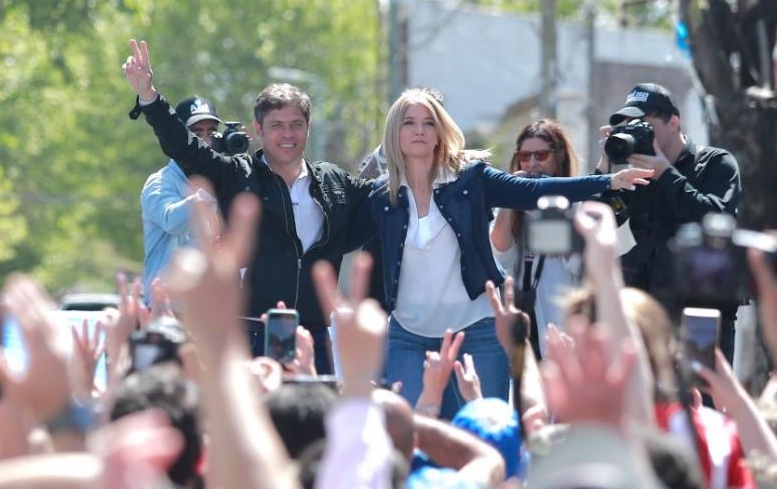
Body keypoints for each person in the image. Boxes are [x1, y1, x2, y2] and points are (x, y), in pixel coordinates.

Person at [366, 88, 653, 419]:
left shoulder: (470, 179)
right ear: (394, 132)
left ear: (440, 132)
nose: (419, 130)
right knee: (411, 431)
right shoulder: (379, 195)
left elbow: (533, 189)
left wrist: (609, 181)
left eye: (429, 123)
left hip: (476, 330)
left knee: (488, 431)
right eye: (409, 122)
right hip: (409, 336)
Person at [123, 39, 374, 373]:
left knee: (312, 409)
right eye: (277, 126)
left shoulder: (333, 181)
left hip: (310, 334)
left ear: (308, 127)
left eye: (296, 125)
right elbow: (184, 147)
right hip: (250, 332)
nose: (287, 135)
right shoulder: (236, 175)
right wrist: (149, 97)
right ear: (258, 130)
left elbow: (383, 198)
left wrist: (430, 157)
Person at [596, 83, 742, 361]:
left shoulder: (716, 163)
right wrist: (605, 167)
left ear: (673, 122)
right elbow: (596, 223)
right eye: (629, 125)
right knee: (644, 388)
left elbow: (717, 217)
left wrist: (665, 173)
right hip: (648, 311)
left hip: (701, 311)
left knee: (703, 387)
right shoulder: (636, 175)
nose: (635, 130)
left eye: (643, 123)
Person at [490, 119, 581, 356]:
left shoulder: (576, 203)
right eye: (524, 156)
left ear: (559, 156)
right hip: (521, 326)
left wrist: (549, 210)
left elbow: (578, 264)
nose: (531, 164)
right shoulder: (513, 207)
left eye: (540, 155)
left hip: (561, 327)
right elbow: (501, 255)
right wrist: (510, 196)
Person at [140, 95, 221, 297]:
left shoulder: (224, 179)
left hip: (205, 306)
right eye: (196, 133)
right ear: (178, 136)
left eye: (211, 132)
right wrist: (209, 191)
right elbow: (171, 221)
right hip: (165, 308)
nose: (205, 141)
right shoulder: (160, 182)